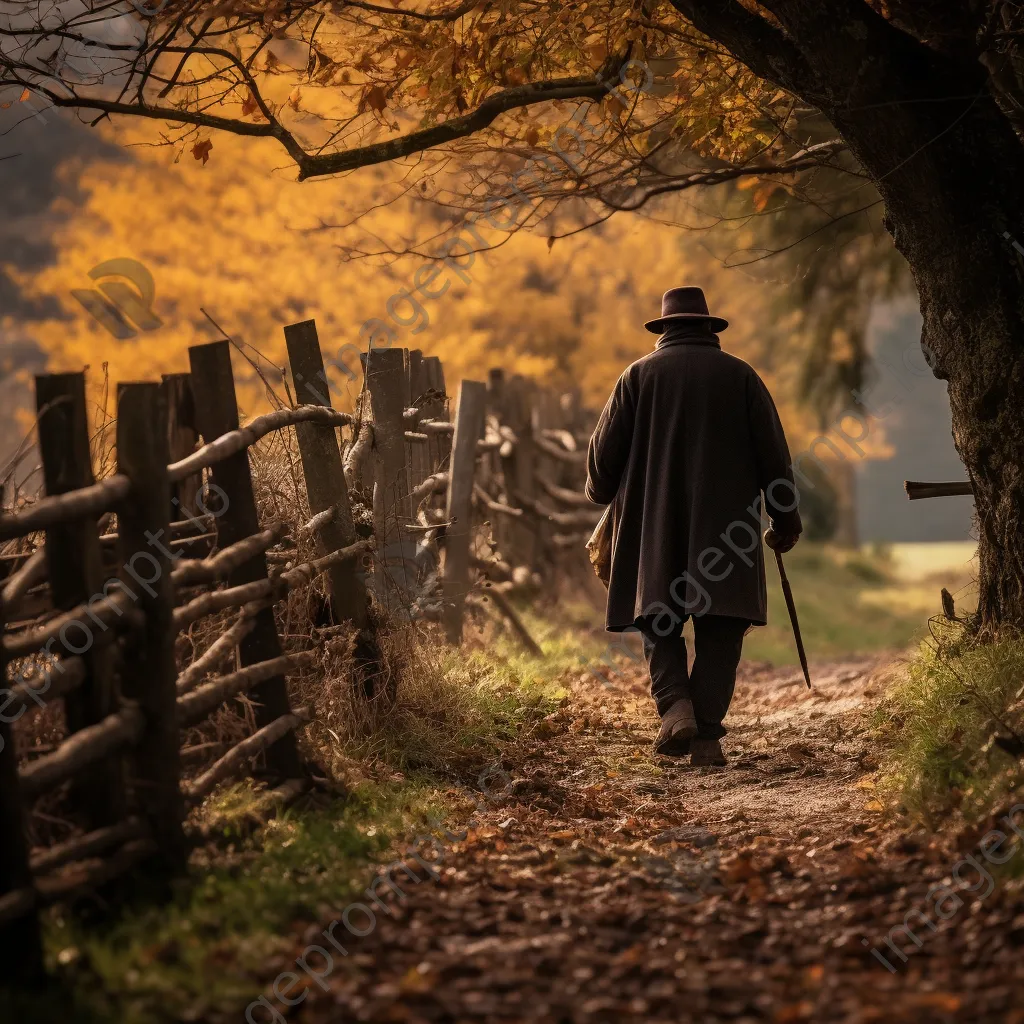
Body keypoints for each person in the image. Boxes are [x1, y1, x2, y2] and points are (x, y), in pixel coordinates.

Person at [585, 287, 802, 766]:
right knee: (721, 625)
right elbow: (776, 461)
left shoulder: (635, 378)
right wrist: (785, 522)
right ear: (708, 328)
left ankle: (675, 707)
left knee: (658, 618)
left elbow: (600, 471)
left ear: (664, 330)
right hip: (728, 531)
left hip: (652, 526)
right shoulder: (741, 377)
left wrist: (607, 492)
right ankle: (705, 734)